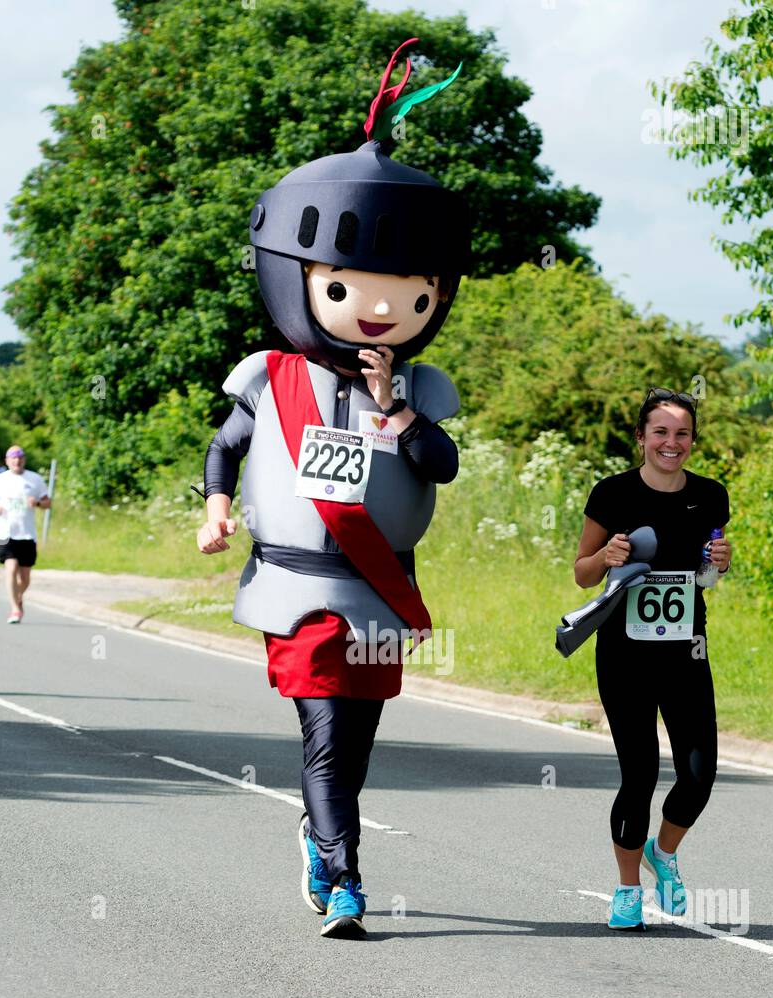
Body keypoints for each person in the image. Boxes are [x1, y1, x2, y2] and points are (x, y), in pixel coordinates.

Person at [197, 39, 470, 938]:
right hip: (298, 583)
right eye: (352, 286)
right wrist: (217, 505)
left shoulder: (422, 391)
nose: (381, 308)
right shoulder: (271, 375)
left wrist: (394, 407)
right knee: (321, 728)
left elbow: (441, 469)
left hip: (380, 588)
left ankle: (320, 836)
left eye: (409, 292)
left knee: (354, 739)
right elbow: (226, 446)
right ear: (301, 275)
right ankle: (348, 876)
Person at [573, 388, 732, 929]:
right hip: (625, 651)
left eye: (682, 433)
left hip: (686, 650)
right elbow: (582, 572)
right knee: (638, 775)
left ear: (692, 441)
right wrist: (605, 555)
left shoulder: (711, 496)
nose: (672, 442)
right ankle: (625, 890)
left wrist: (720, 563)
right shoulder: (612, 493)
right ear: (641, 438)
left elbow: (707, 574)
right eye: (660, 432)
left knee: (698, 773)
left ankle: (662, 852)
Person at [0, 445, 51, 624]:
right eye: (12, 457)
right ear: (7, 461)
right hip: (6, 533)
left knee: (25, 578)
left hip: (27, 535)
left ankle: (18, 595)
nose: (16, 460)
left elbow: (47, 503)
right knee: (11, 569)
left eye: (20, 457)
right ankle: (15, 609)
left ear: (24, 460)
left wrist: (37, 502)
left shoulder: (34, 479)